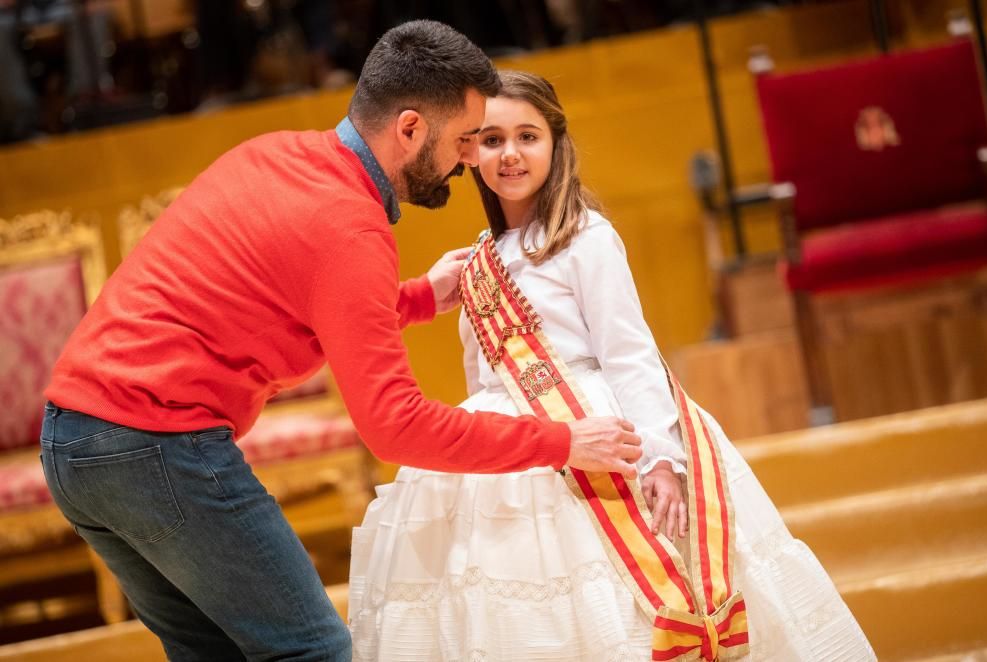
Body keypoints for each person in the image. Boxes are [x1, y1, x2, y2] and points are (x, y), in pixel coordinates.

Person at [40, 24, 641, 661]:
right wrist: (563, 443)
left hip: (74, 443)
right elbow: (394, 427)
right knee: (313, 651)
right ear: (410, 129)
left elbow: (295, 299)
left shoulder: (279, 153)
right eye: (465, 139)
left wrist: (415, 298)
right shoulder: (350, 228)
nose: (469, 160)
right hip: (152, 440)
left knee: (217, 654)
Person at [347, 70, 876, 661]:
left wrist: (659, 457)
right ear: (468, 153)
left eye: (528, 136)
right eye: (492, 140)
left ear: (555, 142)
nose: (511, 154)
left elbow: (630, 354)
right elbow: (483, 377)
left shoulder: (584, 237)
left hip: (602, 442)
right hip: (514, 459)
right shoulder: (475, 262)